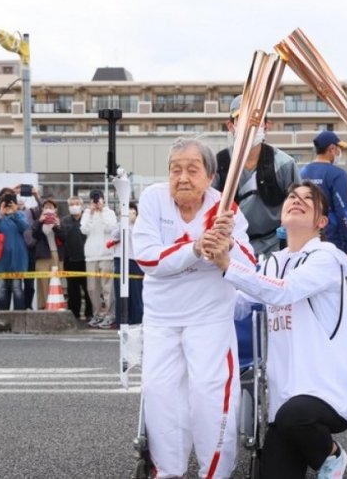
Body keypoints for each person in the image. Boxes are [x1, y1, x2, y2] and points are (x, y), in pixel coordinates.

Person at [204, 181, 347, 479]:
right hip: (285, 405)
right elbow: (241, 303)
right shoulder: (272, 263)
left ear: (322, 221)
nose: (297, 200)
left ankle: (332, 454)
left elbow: (283, 291)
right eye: (292, 196)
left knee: (296, 416)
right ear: (281, 216)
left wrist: (229, 266)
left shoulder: (326, 258)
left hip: (328, 393)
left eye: (308, 199)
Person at [131, 137, 254, 478]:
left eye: (191, 169)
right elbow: (147, 257)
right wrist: (196, 248)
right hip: (162, 317)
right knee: (160, 392)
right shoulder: (154, 199)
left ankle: (214, 473)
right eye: (175, 169)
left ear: (211, 176)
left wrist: (226, 245)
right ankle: (168, 472)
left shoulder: (224, 208)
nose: (182, 177)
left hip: (209, 316)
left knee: (208, 393)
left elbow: (249, 264)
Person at [212, 94, 301, 257]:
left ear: (266, 126)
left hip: (275, 248)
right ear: (231, 126)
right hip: (231, 247)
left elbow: (300, 207)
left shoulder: (284, 164)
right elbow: (207, 209)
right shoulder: (218, 165)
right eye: (243, 120)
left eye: (256, 120)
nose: (250, 126)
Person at [299, 130, 347, 262]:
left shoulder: (302, 172)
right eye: (339, 149)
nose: (339, 153)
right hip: (332, 237)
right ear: (332, 149)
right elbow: (343, 211)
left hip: (305, 235)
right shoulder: (338, 174)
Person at [0, 187, 30, 311]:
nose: (7, 201)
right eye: (4, 197)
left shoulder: (20, 214)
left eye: (10, 198)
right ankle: (2, 319)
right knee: (1, 289)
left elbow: (25, 227)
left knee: (17, 289)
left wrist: (15, 212)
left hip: (17, 257)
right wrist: (0, 215)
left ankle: (19, 321)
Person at [80, 189, 117, 327]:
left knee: (107, 287)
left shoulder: (110, 213)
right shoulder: (87, 213)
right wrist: (90, 213)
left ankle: (109, 314)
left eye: (98, 199)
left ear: (103, 199)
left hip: (106, 254)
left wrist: (101, 212)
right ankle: (97, 314)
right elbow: (84, 230)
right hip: (90, 255)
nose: (96, 202)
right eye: (94, 199)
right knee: (92, 288)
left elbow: (112, 228)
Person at [109, 202, 143, 326]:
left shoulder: (140, 226)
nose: (131, 215)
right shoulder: (118, 225)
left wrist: (132, 224)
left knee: (136, 292)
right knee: (120, 292)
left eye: (133, 212)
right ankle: (121, 320)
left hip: (135, 260)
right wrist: (124, 223)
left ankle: (137, 320)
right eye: (129, 212)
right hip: (120, 259)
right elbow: (114, 236)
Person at [61, 196, 93, 320]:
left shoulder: (88, 219)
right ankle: (74, 314)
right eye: (71, 204)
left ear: (82, 205)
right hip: (70, 260)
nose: (74, 206)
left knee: (89, 289)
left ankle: (89, 314)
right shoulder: (64, 221)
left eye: (77, 204)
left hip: (86, 260)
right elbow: (62, 237)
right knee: (72, 291)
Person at [31, 198, 64, 310]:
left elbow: (64, 238)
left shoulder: (59, 221)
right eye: (46, 207)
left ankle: (57, 306)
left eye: (51, 207)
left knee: (56, 281)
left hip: (56, 254)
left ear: (55, 209)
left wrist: (57, 226)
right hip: (42, 255)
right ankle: (43, 307)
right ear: (42, 209)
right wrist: (40, 221)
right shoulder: (38, 222)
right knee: (42, 283)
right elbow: (35, 235)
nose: (48, 209)